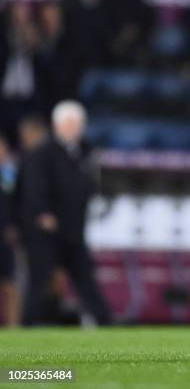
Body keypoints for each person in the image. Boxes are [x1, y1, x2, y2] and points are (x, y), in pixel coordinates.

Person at [21, 101, 111, 326]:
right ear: (57, 125)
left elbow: (90, 184)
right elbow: (34, 186)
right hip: (47, 231)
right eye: (69, 123)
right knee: (40, 279)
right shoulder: (42, 152)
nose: (74, 128)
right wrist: (43, 213)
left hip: (73, 228)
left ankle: (105, 322)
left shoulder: (87, 151)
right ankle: (28, 323)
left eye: (77, 123)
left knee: (85, 278)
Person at [0, 134, 19, 327]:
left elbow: (18, 204)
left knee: (10, 284)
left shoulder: (10, 175)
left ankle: (13, 326)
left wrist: (15, 226)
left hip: (5, 237)